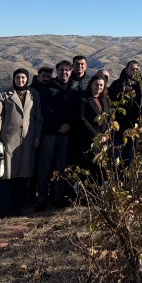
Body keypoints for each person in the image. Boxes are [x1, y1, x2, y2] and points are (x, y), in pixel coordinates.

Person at [0, 69, 42, 218]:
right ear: (13, 78)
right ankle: (3, 208)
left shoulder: (34, 94)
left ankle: (18, 207)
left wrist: (38, 136)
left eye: (23, 77)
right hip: (7, 139)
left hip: (27, 140)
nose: (20, 80)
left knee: (23, 175)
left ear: (27, 79)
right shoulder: (4, 94)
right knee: (5, 175)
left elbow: (38, 117)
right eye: (18, 77)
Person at [35, 60, 81, 212]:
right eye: (61, 70)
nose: (64, 72)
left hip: (67, 133)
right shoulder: (48, 87)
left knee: (62, 168)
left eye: (67, 70)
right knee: (45, 167)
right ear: (57, 71)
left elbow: (77, 110)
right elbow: (45, 109)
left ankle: (58, 197)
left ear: (70, 71)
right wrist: (58, 125)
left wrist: (68, 125)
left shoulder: (76, 87)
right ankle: (42, 199)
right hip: (50, 133)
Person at [76, 74, 110, 182]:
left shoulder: (105, 100)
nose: (99, 87)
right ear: (91, 85)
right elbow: (81, 118)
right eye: (96, 84)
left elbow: (108, 118)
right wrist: (96, 135)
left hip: (102, 142)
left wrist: (105, 134)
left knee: (99, 171)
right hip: (87, 140)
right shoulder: (84, 99)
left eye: (101, 85)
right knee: (86, 171)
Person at [108, 60, 142, 164]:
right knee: (116, 158)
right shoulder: (116, 84)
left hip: (134, 129)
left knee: (130, 159)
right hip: (118, 129)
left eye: (137, 69)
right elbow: (110, 104)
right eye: (132, 69)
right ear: (126, 70)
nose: (134, 71)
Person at [28, 66, 52, 203]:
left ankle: (45, 194)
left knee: (47, 165)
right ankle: (31, 194)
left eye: (48, 77)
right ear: (38, 76)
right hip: (33, 132)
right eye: (44, 76)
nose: (46, 79)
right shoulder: (31, 91)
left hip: (48, 132)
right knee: (33, 165)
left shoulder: (52, 89)